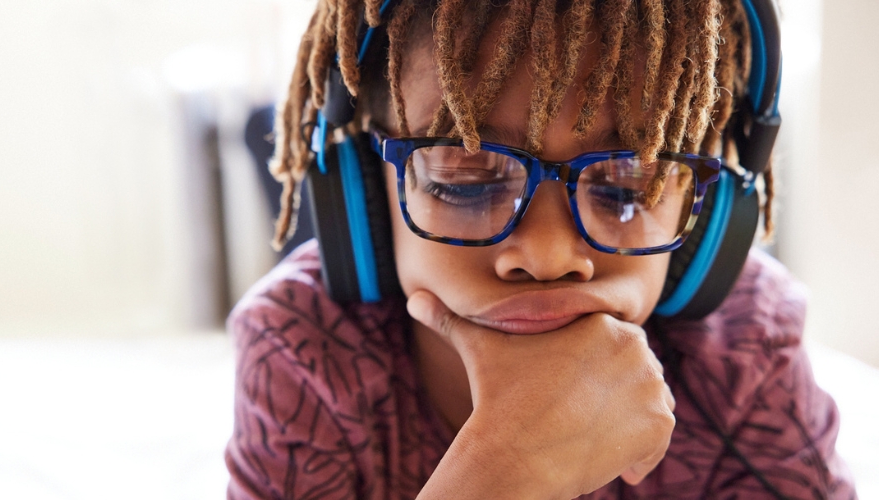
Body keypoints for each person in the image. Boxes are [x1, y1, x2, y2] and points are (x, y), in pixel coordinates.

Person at [225, 0, 857, 498]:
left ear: (712, 208)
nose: (551, 257)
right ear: (363, 183)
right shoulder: (300, 347)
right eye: (464, 179)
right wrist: (498, 475)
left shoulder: (749, 341)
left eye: (629, 187)